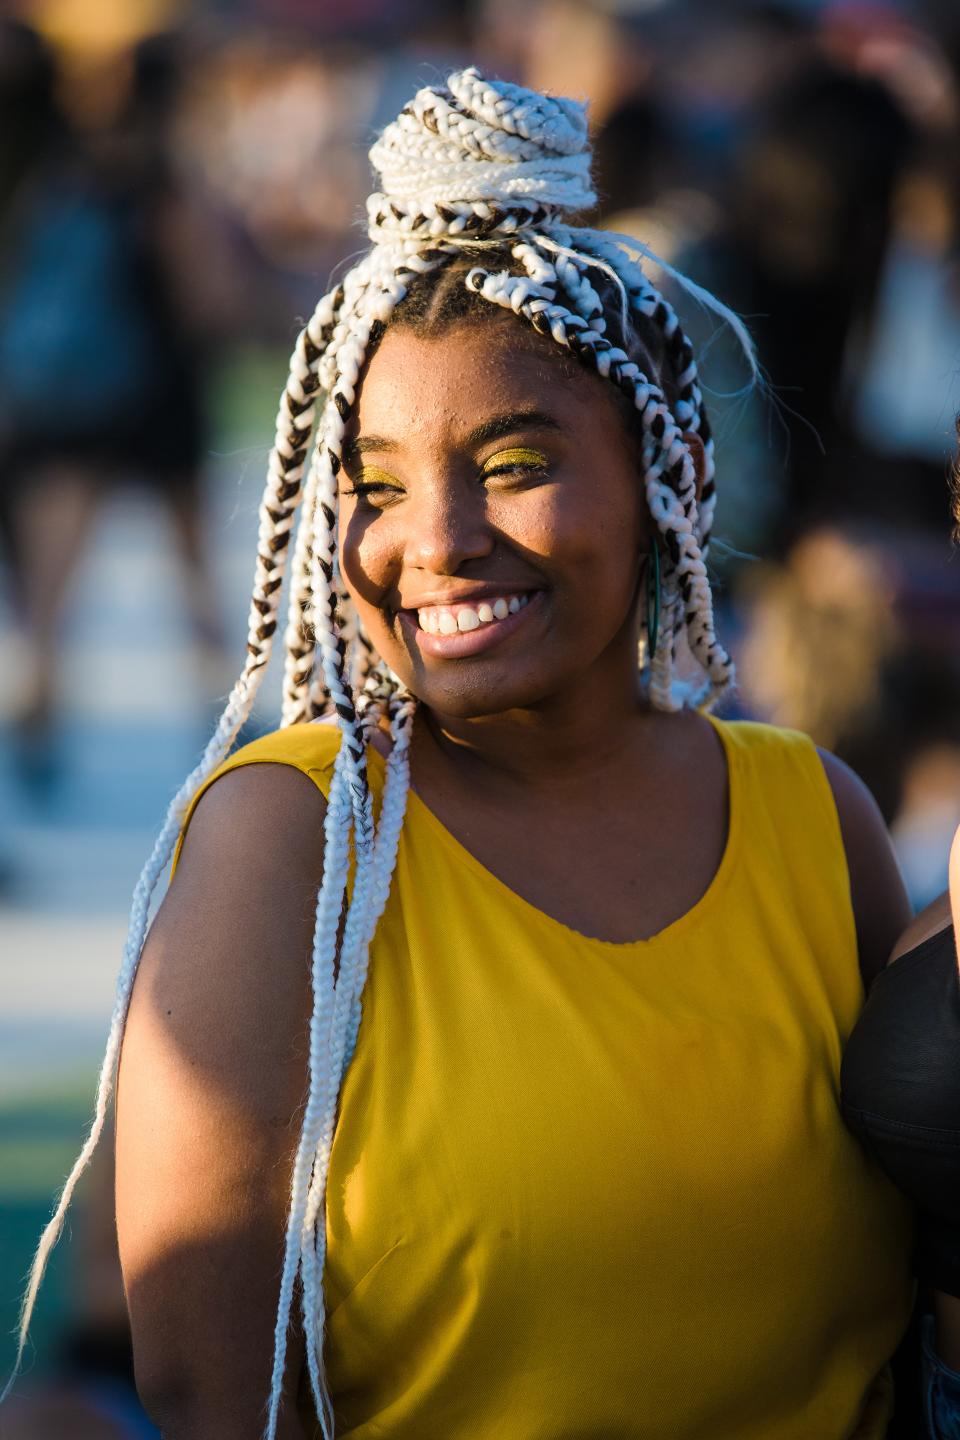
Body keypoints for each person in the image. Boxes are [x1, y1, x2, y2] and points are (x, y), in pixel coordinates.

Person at [4, 68, 951, 1438]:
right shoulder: (289, 843)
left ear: (671, 475)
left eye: (513, 462)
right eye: (377, 487)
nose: (434, 540)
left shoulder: (818, 816)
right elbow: (213, 1393)